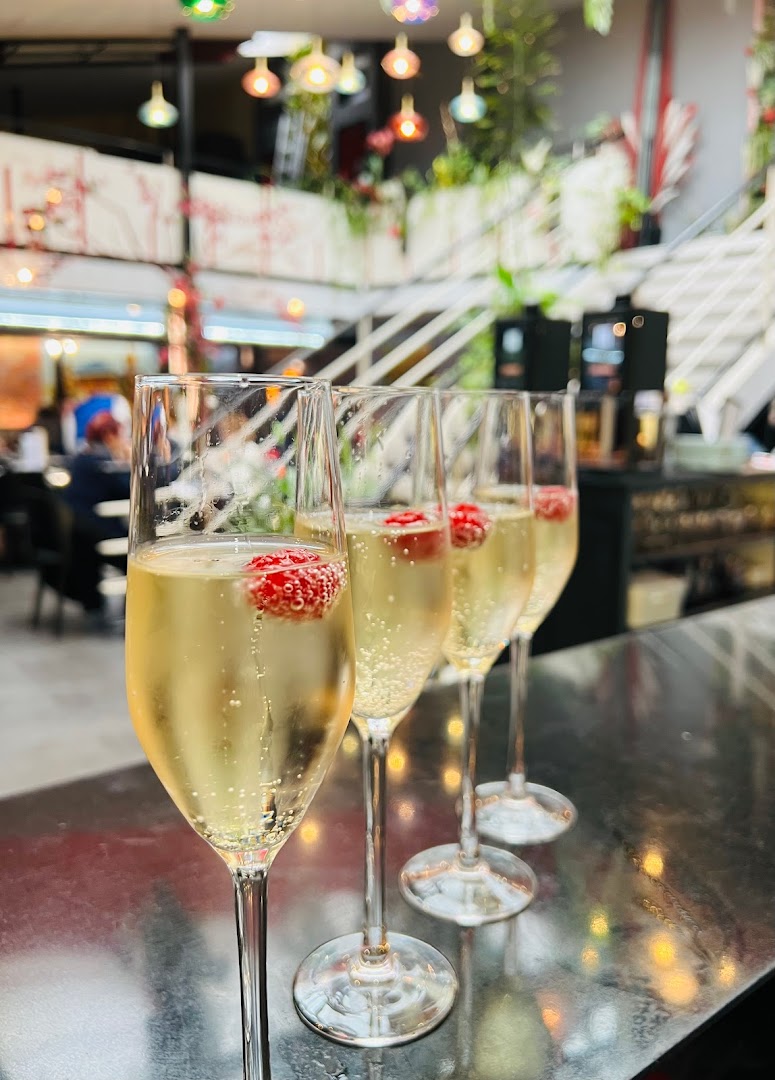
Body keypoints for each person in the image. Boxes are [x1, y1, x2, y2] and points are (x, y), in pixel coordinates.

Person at [61, 411, 130, 620]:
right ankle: (133, 613)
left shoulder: (83, 458)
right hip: (97, 533)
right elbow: (127, 489)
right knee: (140, 552)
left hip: (79, 534)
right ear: (109, 435)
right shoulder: (102, 462)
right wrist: (125, 459)